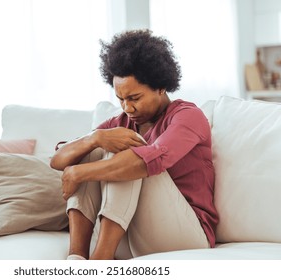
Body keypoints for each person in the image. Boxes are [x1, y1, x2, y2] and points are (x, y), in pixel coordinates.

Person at [50, 29, 219, 260]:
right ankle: (77, 259)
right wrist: (95, 138)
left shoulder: (188, 116)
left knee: (129, 152)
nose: (127, 108)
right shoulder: (121, 122)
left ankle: (101, 261)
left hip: (187, 234)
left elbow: (152, 159)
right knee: (93, 147)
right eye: (121, 99)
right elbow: (58, 160)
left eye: (135, 98)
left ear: (161, 87)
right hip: (131, 233)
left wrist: (78, 173)